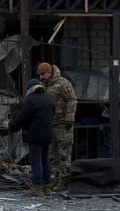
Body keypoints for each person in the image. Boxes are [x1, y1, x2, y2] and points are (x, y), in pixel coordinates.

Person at [6, 79, 54, 195]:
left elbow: (23, 117)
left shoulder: (31, 100)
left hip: (35, 135)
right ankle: (47, 187)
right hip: (47, 134)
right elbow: (53, 112)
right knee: (45, 160)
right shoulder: (48, 98)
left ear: (31, 89)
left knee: (36, 160)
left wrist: (11, 125)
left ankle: (37, 187)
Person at [36, 62, 77, 191]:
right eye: (40, 75)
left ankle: (65, 179)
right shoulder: (44, 85)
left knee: (63, 153)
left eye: (43, 74)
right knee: (53, 155)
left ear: (49, 72)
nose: (41, 77)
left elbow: (72, 100)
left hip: (62, 124)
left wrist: (69, 118)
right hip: (50, 123)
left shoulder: (63, 83)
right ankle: (56, 178)